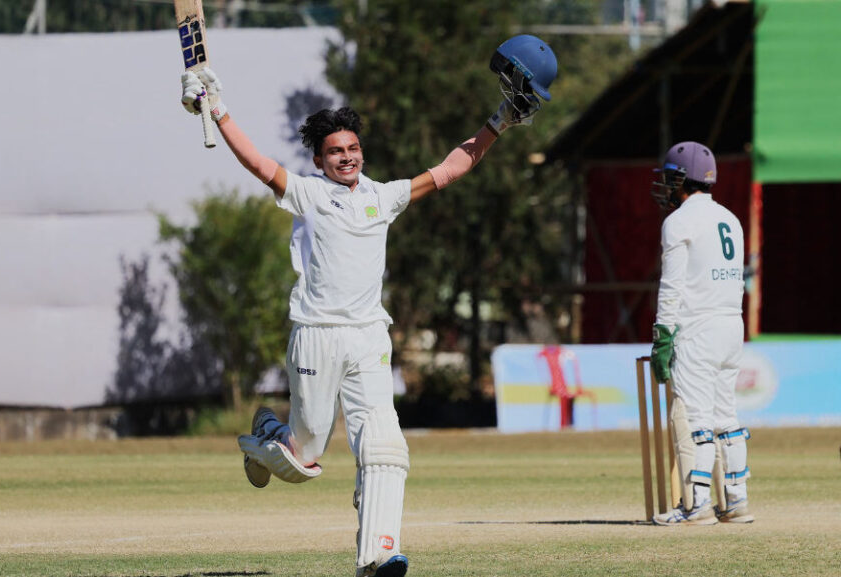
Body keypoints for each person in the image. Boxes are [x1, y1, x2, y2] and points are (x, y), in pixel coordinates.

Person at [181, 35, 557, 576]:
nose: (347, 157)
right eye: (336, 151)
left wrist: (498, 121)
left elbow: (451, 169)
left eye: (353, 149)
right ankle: (265, 437)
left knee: (384, 446)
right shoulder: (308, 194)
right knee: (303, 458)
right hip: (315, 333)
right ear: (319, 159)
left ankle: (377, 556)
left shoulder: (382, 197)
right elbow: (259, 163)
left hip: (367, 336)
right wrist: (218, 110)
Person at [649, 141, 754, 526]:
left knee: (697, 417)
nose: (664, 184)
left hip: (698, 328)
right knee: (727, 415)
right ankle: (736, 500)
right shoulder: (730, 218)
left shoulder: (678, 222)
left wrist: (662, 337)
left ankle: (696, 506)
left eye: (668, 177)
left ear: (681, 179)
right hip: (731, 324)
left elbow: (671, 287)